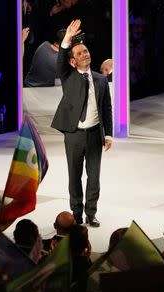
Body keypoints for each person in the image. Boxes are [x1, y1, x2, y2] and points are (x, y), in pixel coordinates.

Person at [51, 20, 112, 228]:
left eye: (85, 51)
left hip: (95, 134)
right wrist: (67, 37)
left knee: (94, 177)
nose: (84, 54)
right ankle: (76, 213)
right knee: (74, 176)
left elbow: (107, 108)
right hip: (74, 135)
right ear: (73, 62)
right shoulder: (68, 76)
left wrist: (108, 134)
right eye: (79, 54)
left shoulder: (101, 80)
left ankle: (91, 213)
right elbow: (60, 59)